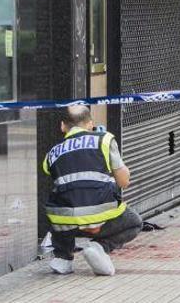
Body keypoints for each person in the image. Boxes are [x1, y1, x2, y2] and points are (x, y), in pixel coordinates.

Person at [43, 105, 142, 276]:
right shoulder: (104, 139)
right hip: (100, 216)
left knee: (60, 199)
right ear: (90, 124)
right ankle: (99, 247)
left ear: (62, 126)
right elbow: (124, 181)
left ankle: (62, 258)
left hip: (65, 222)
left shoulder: (52, 152)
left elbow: (54, 175)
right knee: (134, 222)